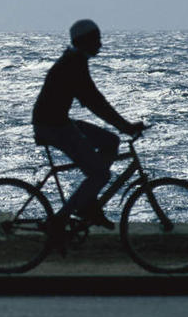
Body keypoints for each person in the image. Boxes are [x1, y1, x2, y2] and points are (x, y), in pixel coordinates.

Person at [32, 19, 144, 242]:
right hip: (52, 126)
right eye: (97, 40)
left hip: (58, 121)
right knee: (100, 174)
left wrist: (123, 127)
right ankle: (61, 219)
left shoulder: (76, 60)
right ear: (85, 42)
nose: (100, 45)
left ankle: (88, 202)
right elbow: (95, 102)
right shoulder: (73, 64)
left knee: (110, 142)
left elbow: (94, 99)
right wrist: (126, 126)